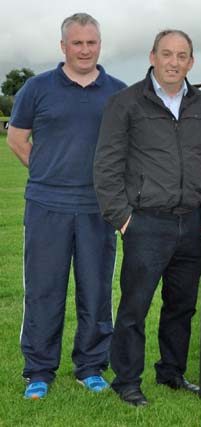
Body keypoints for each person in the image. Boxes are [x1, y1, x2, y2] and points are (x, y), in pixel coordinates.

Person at [93, 29, 201, 406]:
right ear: (152, 57)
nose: (173, 62)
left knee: (181, 305)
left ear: (191, 62)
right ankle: (127, 381)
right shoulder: (126, 102)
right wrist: (122, 218)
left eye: (182, 55)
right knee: (135, 307)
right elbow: (106, 165)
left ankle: (171, 372)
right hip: (145, 222)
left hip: (193, 220)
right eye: (166, 54)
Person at [6, 13, 126, 400]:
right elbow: (18, 138)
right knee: (44, 290)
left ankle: (90, 367)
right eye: (77, 43)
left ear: (100, 45)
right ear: (63, 46)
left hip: (97, 209)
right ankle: (39, 370)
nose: (85, 50)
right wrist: (48, 172)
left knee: (95, 290)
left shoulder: (118, 93)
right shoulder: (37, 88)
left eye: (91, 42)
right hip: (46, 206)